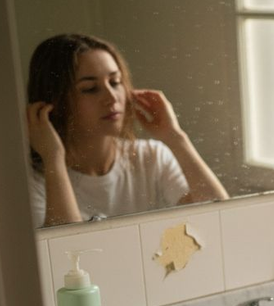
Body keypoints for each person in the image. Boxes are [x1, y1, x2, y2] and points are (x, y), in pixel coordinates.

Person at [26, 33, 229, 227]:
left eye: (115, 82)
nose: (112, 97)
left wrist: (175, 137)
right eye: (90, 88)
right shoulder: (34, 181)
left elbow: (219, 218)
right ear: (55, 101)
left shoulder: (151, 157)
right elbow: (64, 251)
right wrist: (53, 159)